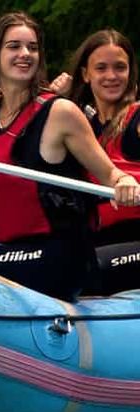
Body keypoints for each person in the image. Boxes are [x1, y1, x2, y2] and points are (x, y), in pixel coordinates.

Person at [0, 12, 140, 301]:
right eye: (14, 46)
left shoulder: (61, 113)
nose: (25, 54)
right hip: (7, 250)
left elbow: (112, 174)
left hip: (59, 257)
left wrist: (125, 181)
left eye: (32, 47)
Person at [52, 29, 140, 294]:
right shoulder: (81, 126)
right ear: (85, 75)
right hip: (100, 240)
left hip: (134, 238)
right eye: (101, 68)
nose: (111, 76)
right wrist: (56, 98)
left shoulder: (137, 117)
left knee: (83, 271)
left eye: (119, 68)